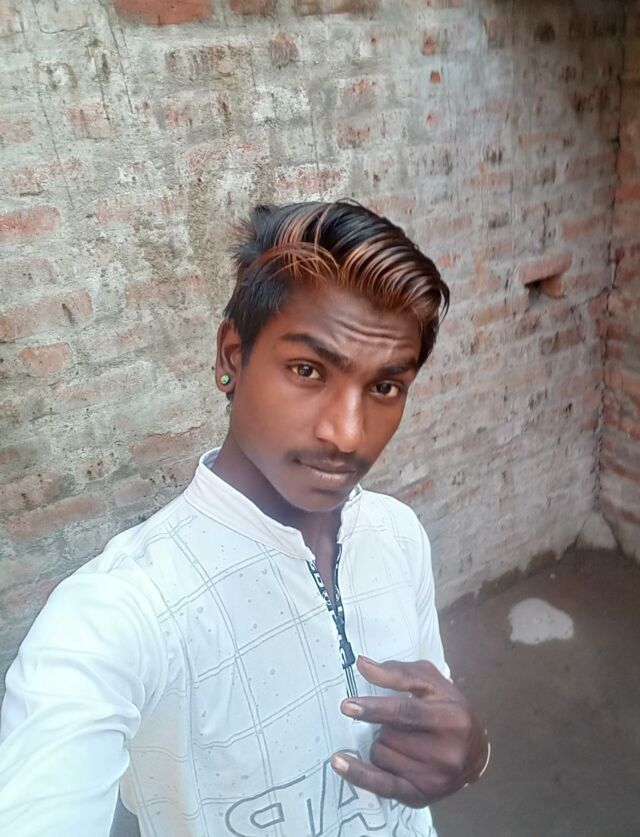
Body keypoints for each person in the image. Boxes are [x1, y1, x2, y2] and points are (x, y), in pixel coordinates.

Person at [0, 201, 489, 837]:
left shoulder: (398, 534)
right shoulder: (123, 612)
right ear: (232, 356)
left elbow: (432, 708)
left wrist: (472, 753)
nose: (347, 435)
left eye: (385, 387)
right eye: (308, 370)